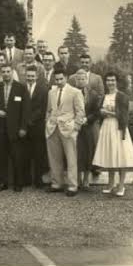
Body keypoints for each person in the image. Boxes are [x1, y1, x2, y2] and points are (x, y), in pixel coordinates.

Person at [92, 72, 133, 197]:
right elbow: (99, 113)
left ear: (116, 81)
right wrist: (101, 113)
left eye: (112, 80)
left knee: (121, 156)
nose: (110, 83)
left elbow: (124, 115)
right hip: (107, 127)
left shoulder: (122, 96)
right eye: (108, 80)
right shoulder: (104, 96)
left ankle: (121, 185)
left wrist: (107, 112)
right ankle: (111, 183)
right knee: (110, 154)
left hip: (118, 128)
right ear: (105, 82)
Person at [0, 64, 30, 192]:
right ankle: (2, 182)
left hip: (16, 129)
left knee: (17, 157)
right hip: (0, 128)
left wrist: (23, 128)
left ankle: (18, 183)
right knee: (0, 157)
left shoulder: (21, 88)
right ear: (1, 73)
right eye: (3, 72)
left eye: (8, 71)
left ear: (12, 72)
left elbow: (26, 109)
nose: (6, 74)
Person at [45, 68, 85, 196]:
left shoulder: (75, 92)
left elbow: (80, 111)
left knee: (71, 158)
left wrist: (76, 127)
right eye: (56, 79)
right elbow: (49, 110)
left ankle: (73, 186)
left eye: (61, 79)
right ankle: (57, 183)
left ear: (66, 78)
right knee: (54, 157)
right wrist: (47, 122)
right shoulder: (51, 92)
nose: (59, 81)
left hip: (69, 128)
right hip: (52, 128)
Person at [74, 70, 102, 191]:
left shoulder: (94, 94)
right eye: (78, 79)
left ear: (86, 80)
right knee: (77, 153)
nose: (80, 81)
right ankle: (78, 178)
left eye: (83, 79)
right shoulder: (71, 92)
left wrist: (87, 119)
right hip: (76, 127)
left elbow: (97, 112)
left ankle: (86, 178)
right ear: (76, 80)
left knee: (88, 152)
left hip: (88, 127)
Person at [24, 66, 49, 188]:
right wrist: (25, 121)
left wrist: (31, 119)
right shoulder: (21, 88)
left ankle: (38, 180)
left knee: (38, 153)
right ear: (25, 76)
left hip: (38, 125)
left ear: (37, 76)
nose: (30, 78)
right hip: (24, 126)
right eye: (28, 76)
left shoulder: (43, 89)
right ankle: (27, 179)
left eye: (32, 76)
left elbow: (43, 108)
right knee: (25, 153)